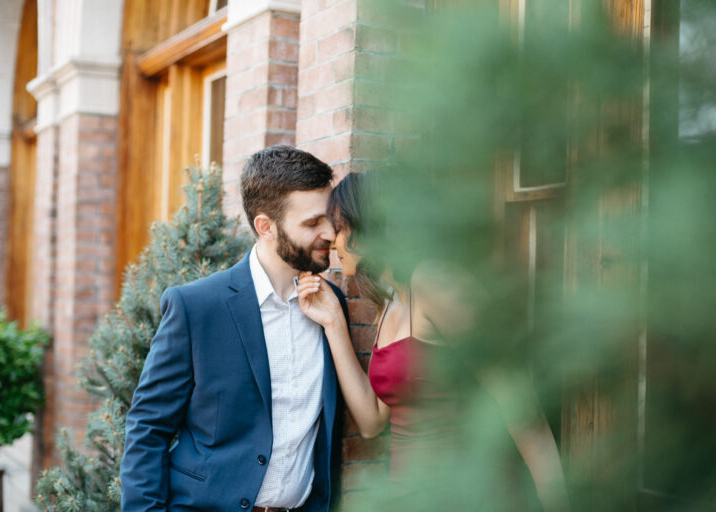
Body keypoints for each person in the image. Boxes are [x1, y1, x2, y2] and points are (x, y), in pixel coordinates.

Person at [297, 171, 570, 510]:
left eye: (338, 228)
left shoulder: (435, 281)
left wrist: (556, 501)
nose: (332, 241)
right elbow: (371, 422)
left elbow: (515, 399)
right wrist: (333, 323)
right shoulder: (390, 303)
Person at [121, 145, 349, 512]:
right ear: (265, 227)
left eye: (329, 219)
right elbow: (149, 427)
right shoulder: (196, 306)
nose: (329, 234)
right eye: (311, 223)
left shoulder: (331, 306)